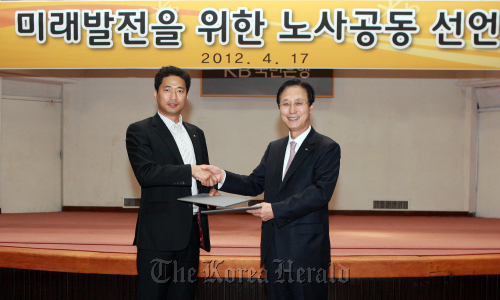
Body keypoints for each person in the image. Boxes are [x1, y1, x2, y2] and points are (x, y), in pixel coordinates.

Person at [204, 79, 341, 300]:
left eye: (299, 103)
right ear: (279, 109)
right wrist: (223, 177)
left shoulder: (327, 148)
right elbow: (254, 183)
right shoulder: (275, 148)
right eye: (285, 104)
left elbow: (320, 193)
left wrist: (275, 210)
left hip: (307, 252)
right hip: (274, 249)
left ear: (311, 107)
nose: (292, 110)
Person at [126, 66, 218, 300]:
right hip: (158, 234)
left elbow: (203, 173)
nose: (174, 96)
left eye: (180, 90)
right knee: (152, 295)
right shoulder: (140, 130)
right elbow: (147, 173)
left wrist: (211, 190)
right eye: (167, 90)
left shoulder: (196, 133)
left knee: (184, 295)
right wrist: (190, 171)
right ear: (155, 93)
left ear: (187, 95)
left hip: (191, 232)